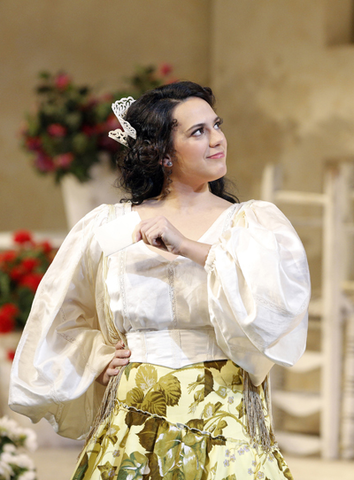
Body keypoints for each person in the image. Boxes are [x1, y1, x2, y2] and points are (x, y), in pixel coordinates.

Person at [9, 81, 310, 479]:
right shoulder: (108, 227)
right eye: (198, 132)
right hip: (135, 413)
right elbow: (58, 314)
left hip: (221, 410)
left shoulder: (252, 224)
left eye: (216, 125)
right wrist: (96, 355)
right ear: (163, 155)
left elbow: (277, 304)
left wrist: (188, 246)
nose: (217, 139)